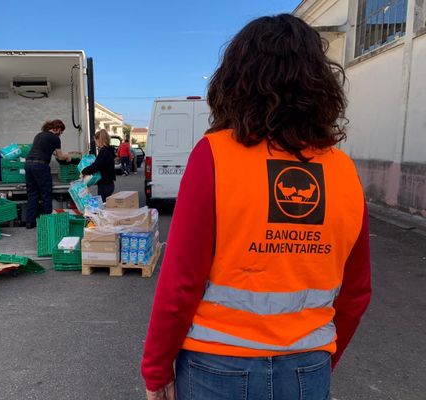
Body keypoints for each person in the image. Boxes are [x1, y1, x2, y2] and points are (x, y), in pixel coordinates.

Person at [141, 14, 371, 400]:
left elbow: (180, 282)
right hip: (306, 365)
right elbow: (357, 292)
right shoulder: (342, 169)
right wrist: (319, 362)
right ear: (320, 84)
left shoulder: (214, 156)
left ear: (235, 81)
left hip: (216, 367)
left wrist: (156, 368)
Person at [24, 119, 71, 229]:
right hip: (41, 166)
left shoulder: (39, 135)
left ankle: (30, 222)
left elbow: (44, 149)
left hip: (28, 165)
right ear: (58, 129)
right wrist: (67, 156)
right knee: (46, 194)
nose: (61, 134)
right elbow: (60, 156)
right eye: (62, 132)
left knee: (32, 194)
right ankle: (46, 223)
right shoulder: (55, 138)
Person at [81, 129, 116, 202]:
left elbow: (96, 166)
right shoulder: (109, 150)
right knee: (106, 205)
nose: (96, 143)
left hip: (105, 185)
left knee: (103, 206)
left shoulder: (104, 152)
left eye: (95, 141)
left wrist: (84, 171)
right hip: (109, 184)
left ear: (99, 140)